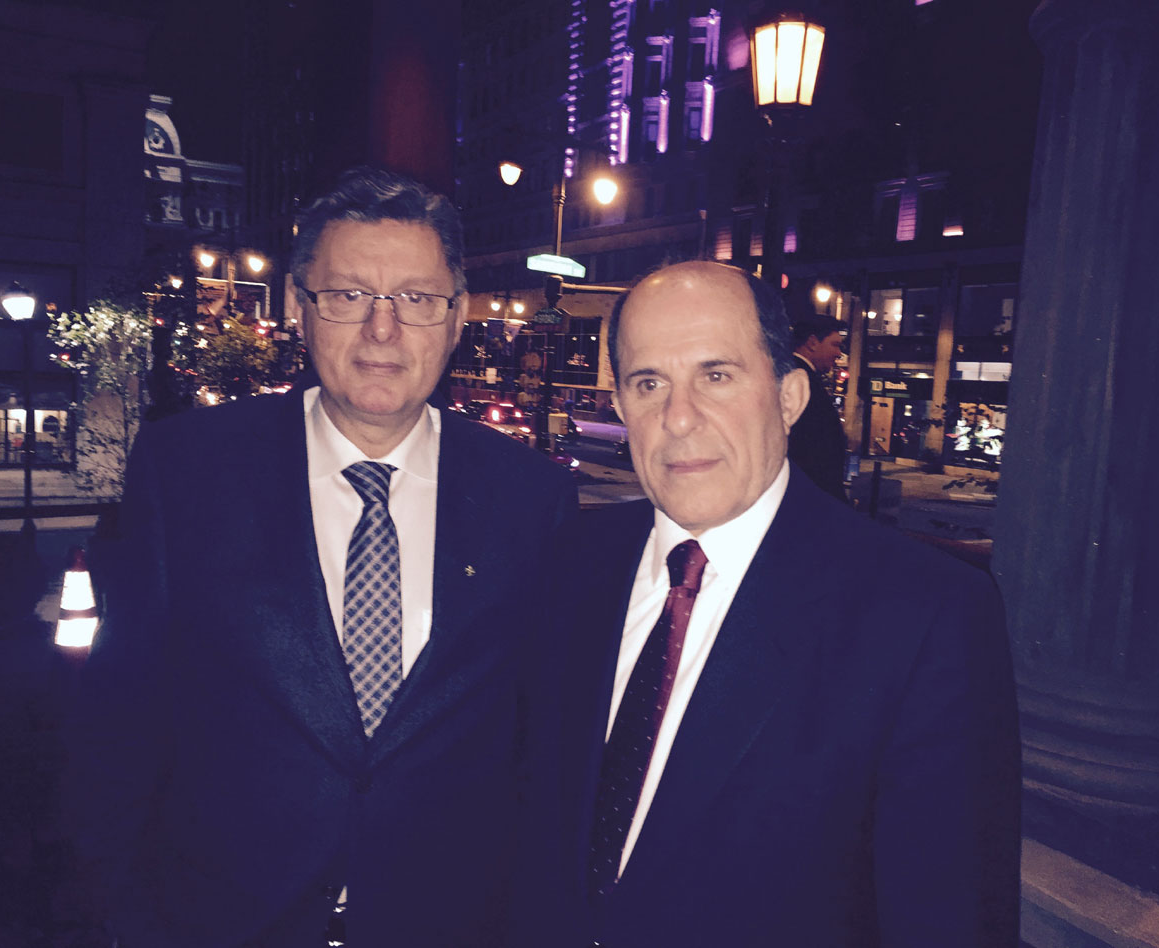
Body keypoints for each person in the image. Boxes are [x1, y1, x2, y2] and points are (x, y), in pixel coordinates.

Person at [68, 167, 578, 947]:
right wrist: (123, 919)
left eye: (416, 298)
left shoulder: (532, 498)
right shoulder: (188, 471)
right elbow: (120, 717)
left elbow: (542, 750)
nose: (383, 329)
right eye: (348, 295)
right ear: (300, 308)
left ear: (455, 318)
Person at [517, 261, 1019, 947]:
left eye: (716, 375)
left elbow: (949, 918)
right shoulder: (572, 559)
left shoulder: (926, 615)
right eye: (648, 382)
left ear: (788, 397)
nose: (678, 417)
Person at [788, 315, 848, 501]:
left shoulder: (798, 375)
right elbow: (809, 449)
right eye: (835, 345)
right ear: (812, 342)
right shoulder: (800, 380)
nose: (839, 353)